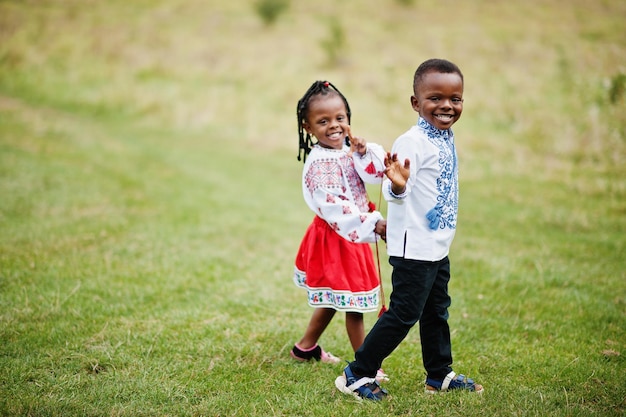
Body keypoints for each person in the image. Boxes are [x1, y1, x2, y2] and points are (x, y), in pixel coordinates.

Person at [335, 59, 484, 401]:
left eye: (455, 99)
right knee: (404, 313)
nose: (446, 105)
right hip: (413, 246)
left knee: (436, 311)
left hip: (436, 244)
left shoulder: (445, 136)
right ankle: (357, 374)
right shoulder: (411, 141)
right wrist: (399, 186)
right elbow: (393, 190)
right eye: (435, 98)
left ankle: (439, 374)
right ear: (416, 103)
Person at [291, 80, 388, 382]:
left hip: (353, 236)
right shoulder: (319, 165)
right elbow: (336, 208)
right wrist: (374, 224)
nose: (333, 126)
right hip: (337, 239)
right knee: (353, 305)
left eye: (340, 118)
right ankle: (367, 366)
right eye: (323, 121)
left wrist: (362, 152)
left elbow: (376, 175)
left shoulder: (347, 151)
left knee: (336, 298)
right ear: (308, 127)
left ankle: (305, 347)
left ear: (348, 118)